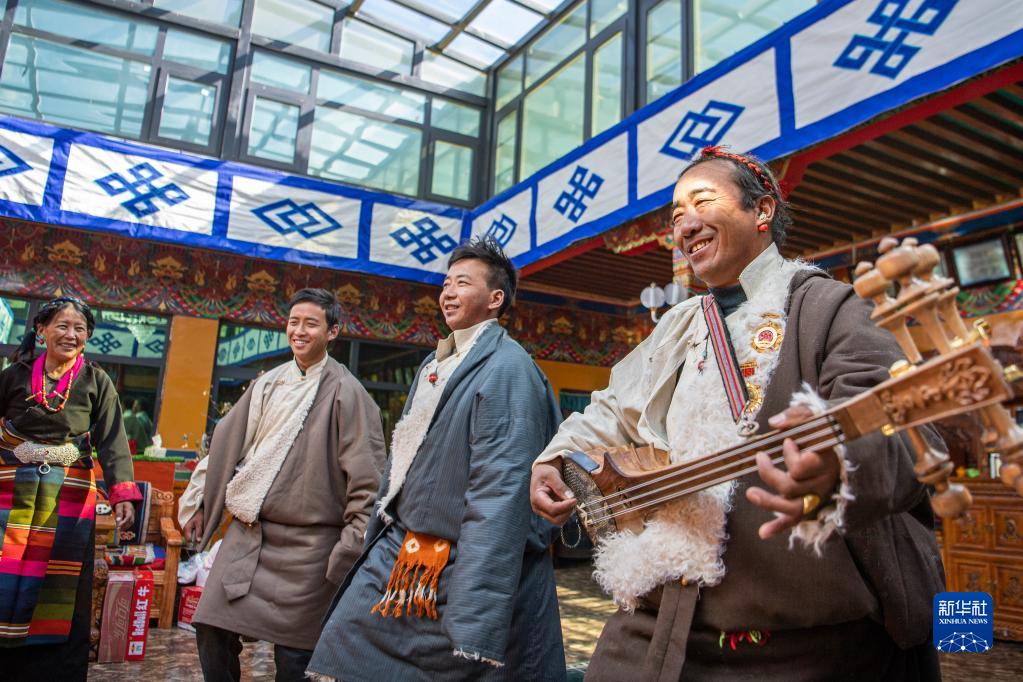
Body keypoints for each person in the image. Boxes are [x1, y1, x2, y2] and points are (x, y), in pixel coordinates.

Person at [530, 146, 945, 680]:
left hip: (803, 642)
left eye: (703, 202)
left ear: (762, 210)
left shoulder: (829, 307)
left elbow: (901, 425)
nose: (685, 225)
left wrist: (839, 466)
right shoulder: (677, 325)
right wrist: (555, 457)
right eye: (677, 215)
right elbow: (612, 409)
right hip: (662, 620)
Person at [308, 238, 566, 682]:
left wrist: (477, 605)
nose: (447, 293)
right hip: (406, 553)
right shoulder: (437, 361)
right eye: (446, 283)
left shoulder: (508, 368)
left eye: (462, 283)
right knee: (343, 648)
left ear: (495, 299)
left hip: (461, 564)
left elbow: (499, 489)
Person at [179, 288, 386, 682]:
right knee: (210, 625)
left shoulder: (349, 394)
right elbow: (226, 447)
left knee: (294, 659)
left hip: (310, 549)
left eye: (311, 324)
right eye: (294, 322)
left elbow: (367, 481)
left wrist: (350, 547)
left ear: (332, 332)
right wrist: (202, 503)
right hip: (250, 536)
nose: (300, 331)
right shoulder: (268, 384)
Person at [0, 296, 142, 681]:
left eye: (80, 329)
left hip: (69, 495)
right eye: (62, 326)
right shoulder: (13, 376)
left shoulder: (97, 381)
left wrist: (122, 494)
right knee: (6, 571)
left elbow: (112, 439)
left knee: (61, 582)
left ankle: (56, 671)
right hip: (11, 494)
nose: (71, 334)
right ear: (41, 330)